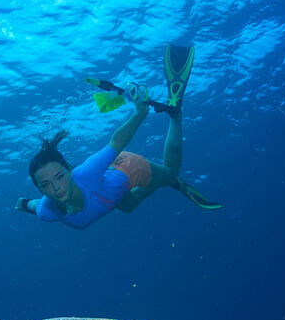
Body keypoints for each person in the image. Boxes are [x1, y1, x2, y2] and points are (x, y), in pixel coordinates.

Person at [15, 44, 221, 230]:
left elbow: (116, 142)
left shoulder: (86, 173)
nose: (56, 187)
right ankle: (159, 181)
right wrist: (24, 205)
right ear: (39, 188)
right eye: (46, 185)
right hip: (112, 191)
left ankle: (175, 118)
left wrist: (140, 113)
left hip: (130, 168)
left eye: (59, 176)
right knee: (128, 206)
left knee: (170, 173)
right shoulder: (47, 211)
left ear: (69, 170)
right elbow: (34, 205)